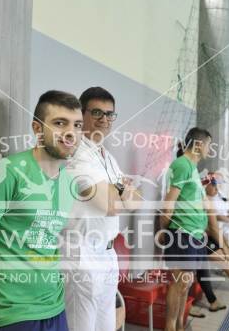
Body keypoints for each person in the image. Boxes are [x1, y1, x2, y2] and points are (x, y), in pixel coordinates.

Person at [0, 90, 83, 331]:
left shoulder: (70, 183)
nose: (71, 133)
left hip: (55, 306)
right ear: (37, 129)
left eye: (77, 125)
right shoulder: (9, 172)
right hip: (12, 313)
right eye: (60, 123)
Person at [60, 87, 138, 331]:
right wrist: (121, 191)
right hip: (81, 253)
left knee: (106, 326)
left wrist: (118, 191)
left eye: (109, 114)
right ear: (81, 115)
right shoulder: (76, 154)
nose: (104, 119)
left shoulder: (107, 157)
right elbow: (111, 205)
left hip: (106, 253)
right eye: (96, 112)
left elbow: (136, 202)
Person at [160, 127, 212, 331]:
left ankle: (181, 326)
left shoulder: (192, 168)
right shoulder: (182, 165)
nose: (209, 149)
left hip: (195, 234)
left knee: (186, 284)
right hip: (182, 234)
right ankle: (170, 327)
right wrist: (164, 230)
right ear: (198, 144)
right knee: (179, 283)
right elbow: (169, 202)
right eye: (208, 144)